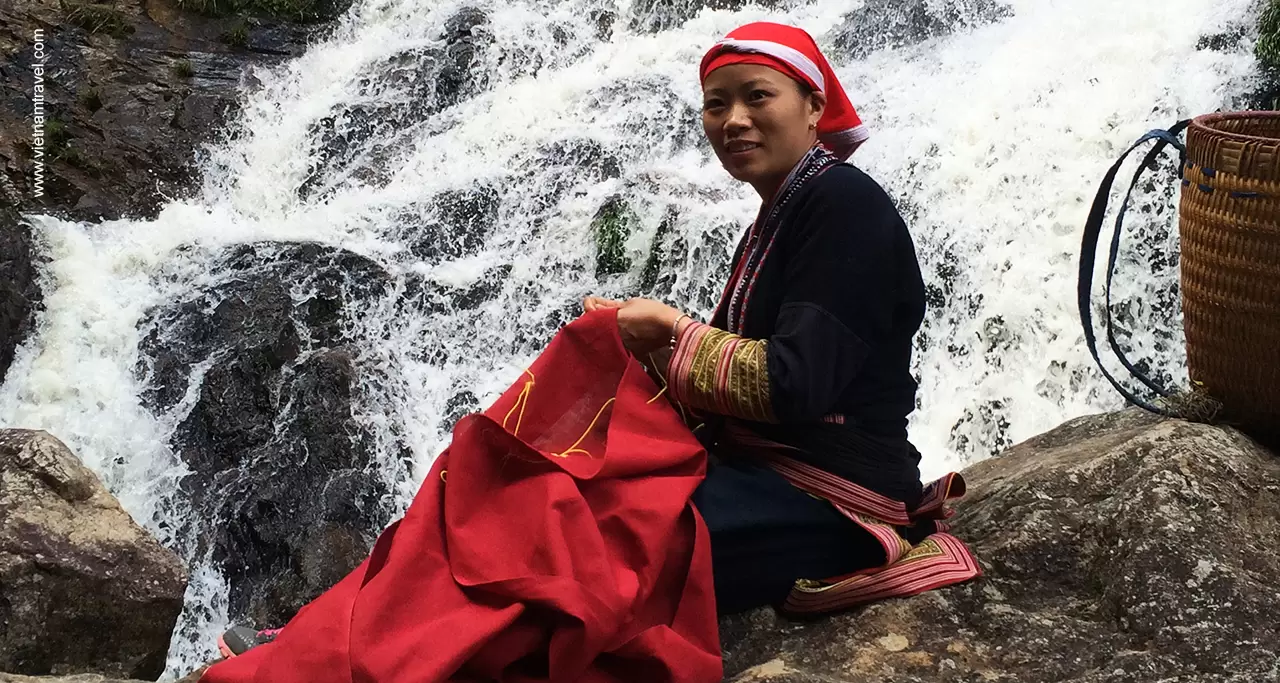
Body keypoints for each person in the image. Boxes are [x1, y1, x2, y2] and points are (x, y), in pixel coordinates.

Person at [217, 20, 976, 660]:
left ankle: (341, 655)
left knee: (562, 533)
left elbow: (792, 384)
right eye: (717, 105)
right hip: (766, 475)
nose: (734, 120)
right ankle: (334, 636)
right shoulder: (790, 210)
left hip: (827, 506)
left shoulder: (842, 202)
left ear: (814, 107)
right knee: (512, 479)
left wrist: (669, 333)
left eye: (757, 97)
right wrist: (650, 353)